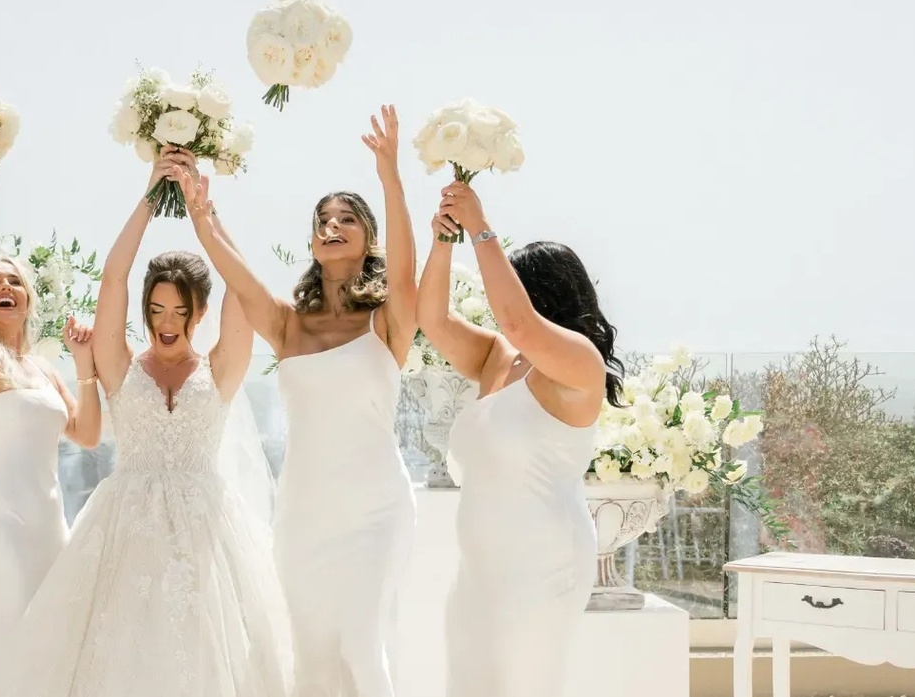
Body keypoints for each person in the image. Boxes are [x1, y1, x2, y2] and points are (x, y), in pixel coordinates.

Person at [0, 153, 289, 697]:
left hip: (208, 535)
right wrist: (150, 198)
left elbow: (246, 291)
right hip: (124, 534)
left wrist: (204, 219)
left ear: (199, 312)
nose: (165, 323)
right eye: (155, 309)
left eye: (178, 310)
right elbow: (115, 274)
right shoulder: (120, 365)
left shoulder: (220, 368)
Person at [173, 104, 418, 696]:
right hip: (305, 512)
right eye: (322, 220)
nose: (331, 227)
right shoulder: (288, 326)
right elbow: (241, 279)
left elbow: (408, 272)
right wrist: (203, 219)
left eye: (347, 221)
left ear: (367, 240)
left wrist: (389, 174)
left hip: (375, 510)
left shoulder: (388, 322)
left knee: (362, 642)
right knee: (310, 658)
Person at [416, 181, 623, 697]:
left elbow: (517, 320)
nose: (497, 291)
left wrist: (479, 225)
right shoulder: (496, 355)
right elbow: (431, 319)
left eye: (511, 281)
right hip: (480, 570)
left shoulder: (580, 363)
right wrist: (444, 239)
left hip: (544, 565)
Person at [0, 128, 100, 697]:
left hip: (48, 527)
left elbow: (86, 433)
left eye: (15, 281)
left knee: (53, 654)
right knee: (9, 654)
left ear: (29, 298)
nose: (2, 284)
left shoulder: (44, 368)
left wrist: (85, 363)